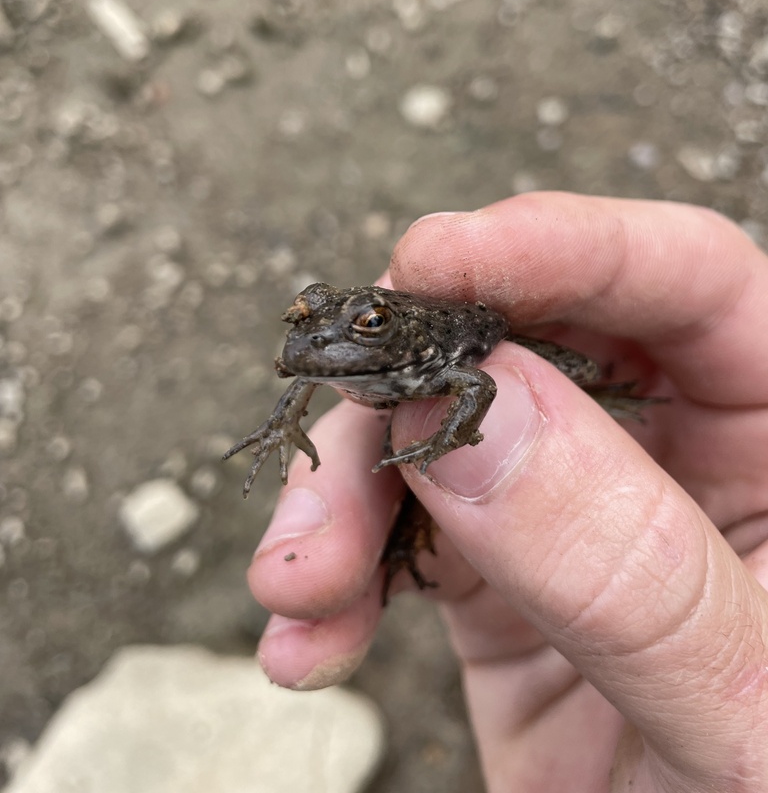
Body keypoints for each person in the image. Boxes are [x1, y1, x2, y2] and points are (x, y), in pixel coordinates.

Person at [247, 193, 768, 791]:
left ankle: (607, 402)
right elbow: (310, 369)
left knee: (582, 374)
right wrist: (281, 423)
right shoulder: (340, 357)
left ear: (389, 327)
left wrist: (449, 443)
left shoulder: (437, 358)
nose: (315, 334)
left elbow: (479, 389)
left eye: (367, 324)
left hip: (487, 342)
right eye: (307, 314)